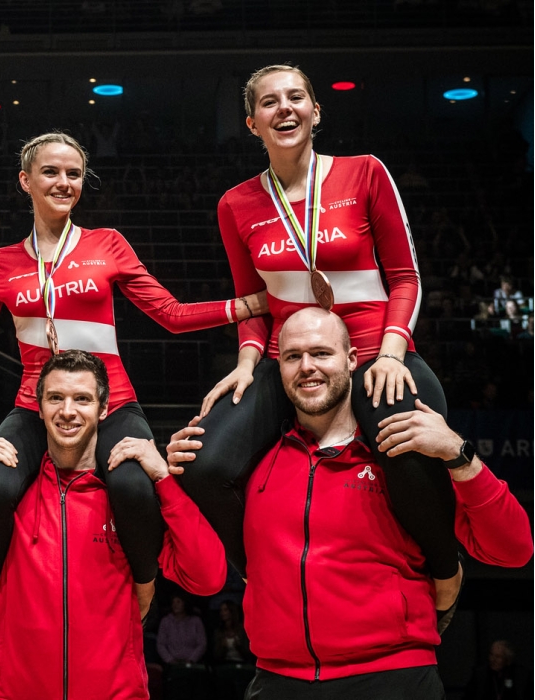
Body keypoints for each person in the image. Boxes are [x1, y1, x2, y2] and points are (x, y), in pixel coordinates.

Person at [0, 132, 266, 606]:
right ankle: (1, 581)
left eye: (73, 173)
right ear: (25, 180)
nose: (63, 182)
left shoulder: (108, 244)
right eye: (50, 172)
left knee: (132, 485)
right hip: (33, 405)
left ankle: (143, 585)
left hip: (112, 401)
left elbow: (171, 314)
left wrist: (249, 305)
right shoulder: (0, 263)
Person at [179, 63, 465, 622]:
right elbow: (249, 298)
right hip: (292, 360)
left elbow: (405, 277)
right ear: (252, 122)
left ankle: (445, 570)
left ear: (315, 111)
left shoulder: (364, 173)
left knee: (406, 443)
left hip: (373, 349)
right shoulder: (235, 204)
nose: (283, 108)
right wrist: (246, 361)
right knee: (204, 466)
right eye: (269, 102)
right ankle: (262, 572)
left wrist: (390, 352)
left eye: (295, 98)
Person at [167, 309, 534, 698]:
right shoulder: (253, 465)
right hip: (277, 680)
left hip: (391, 678)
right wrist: (172, 475)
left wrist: (460, 455)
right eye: (293, 357)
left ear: (352, 359)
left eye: (321, 353)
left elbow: (513, 550)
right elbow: (200, 569)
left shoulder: (401, 458)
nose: (307, 367)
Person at [0, 350, 227, 700]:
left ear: (103, 409)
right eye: (55, 398)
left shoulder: (126, 500)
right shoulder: (13, 494)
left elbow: (208, 577)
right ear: (39, 408)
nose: (68, 411)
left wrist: (163, 477)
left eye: (82, 399)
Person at [464, 640, 531, 700]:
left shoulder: (520, 675)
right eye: (491, 655)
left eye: (498, 657)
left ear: (507, 659)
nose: (493, 660)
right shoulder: (480, 675)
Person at [156, 594, 207, 666]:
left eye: (178, 602)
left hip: (192, 664)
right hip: (170, 664)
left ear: (185, 603)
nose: (175, 605)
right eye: (173, 602)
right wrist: (170, 660)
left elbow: (202, 644)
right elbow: (161, 644)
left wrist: (191, 660)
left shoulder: (196, 621)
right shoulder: (166, 621)